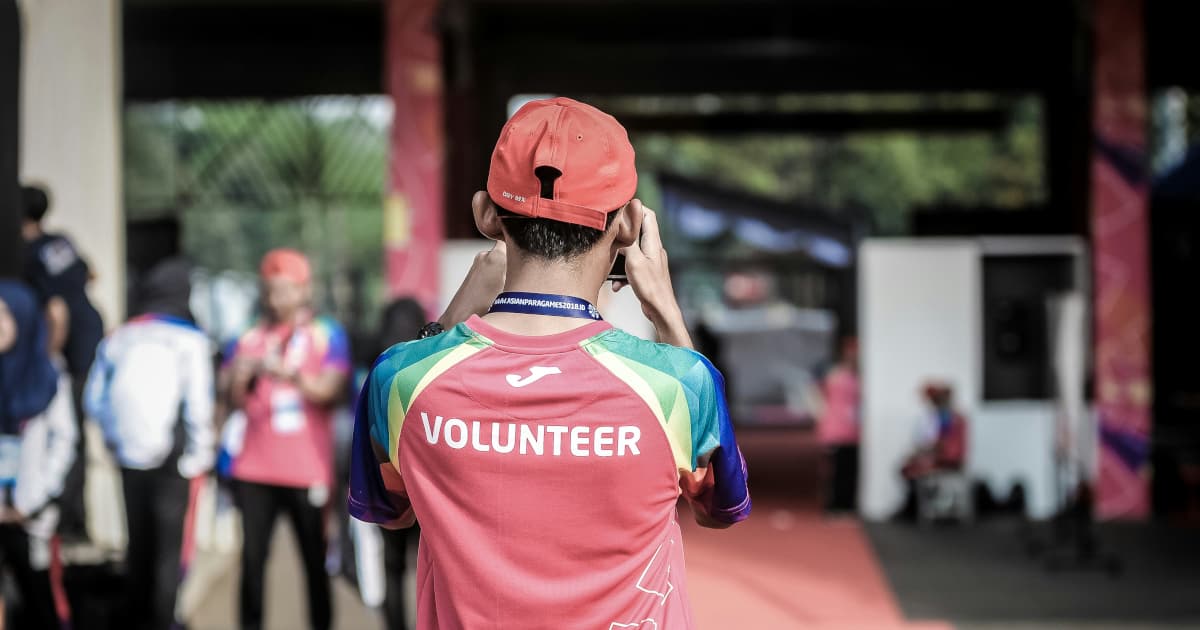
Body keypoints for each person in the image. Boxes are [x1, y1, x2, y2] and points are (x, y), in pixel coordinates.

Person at [349, 97, 751, 629]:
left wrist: (451, 319)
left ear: (485, 214)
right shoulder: (679, 381)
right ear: (630, 224)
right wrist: (666, 313)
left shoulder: (400, 378)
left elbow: (392, 513)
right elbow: (719, 508)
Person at [83, 257, 215, 630]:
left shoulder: (120, 337)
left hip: (128, 458)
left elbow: (94, 400)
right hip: (174, 464)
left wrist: (114, 442)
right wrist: (198, 457)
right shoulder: (191, 340)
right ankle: (163, 620)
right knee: (168, 554)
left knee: (137, 545)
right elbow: (199, 405)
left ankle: (136, 617)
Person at [222, 249, 350, 630]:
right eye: (270, 289)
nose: (276, 298)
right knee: (251, 564)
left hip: (307, 469)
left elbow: (331, 389)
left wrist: (289, 374)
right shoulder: (247, 335)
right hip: (254, 468)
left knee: (315, 562)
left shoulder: (326, 334)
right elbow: (229, 396)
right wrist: (239, 377)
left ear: (304, 290)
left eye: (285, 289)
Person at [21, 183, 103, 539]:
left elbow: (56, 311)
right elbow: (90, 273)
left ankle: (69, 520)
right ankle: (74, 518)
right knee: (76, 435)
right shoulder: (59, 242)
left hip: (70, 350)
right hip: (91, 337)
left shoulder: (28, 253)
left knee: (66, 435)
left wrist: (48, 359)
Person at [0, 278, 76, 629]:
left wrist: (35, 498)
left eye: (5, 314)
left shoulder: (47, 374)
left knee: (39, 602)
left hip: (31, 514)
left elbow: (64, 440)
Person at [817, 337, 860, 513]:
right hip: (836, 431)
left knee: (848, 470)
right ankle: (834, 504)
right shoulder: (836, 376)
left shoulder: (853, 377)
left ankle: (845, 504)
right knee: (836, 470)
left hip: (852, 432)